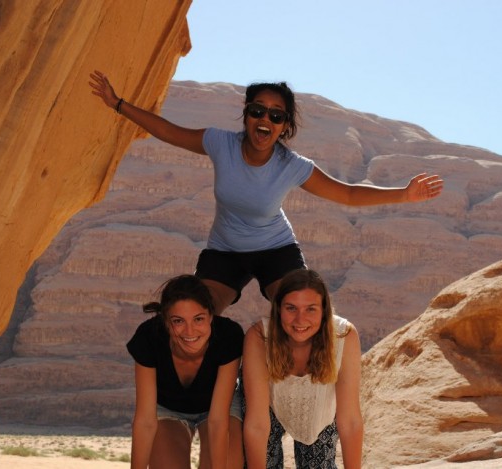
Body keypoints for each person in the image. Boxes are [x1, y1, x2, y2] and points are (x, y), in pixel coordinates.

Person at [89, 71, 444, 315]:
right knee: (196, 310)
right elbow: (169, 131)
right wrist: (117, 103)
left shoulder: (291, 165)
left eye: (276, 115)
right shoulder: (220, 143)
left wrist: (404, 194)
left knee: (300, 308)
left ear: (285, 127)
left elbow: (348, 194)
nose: (265, 119)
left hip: (275, 250)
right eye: (257, 110)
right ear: (245, 115)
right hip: (225, 249)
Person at [241, 269, 363, 469]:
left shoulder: (344, 336)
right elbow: (257, 424)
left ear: (324, 310)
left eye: (310, 309)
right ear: (278, 308)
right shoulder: (259, 337)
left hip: (320, 410)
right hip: (269, 406)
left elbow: (349, 421)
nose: (300, 320)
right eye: (291, 308)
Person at [126, 274, 244, 469]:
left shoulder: (228, 336)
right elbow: (145, 421)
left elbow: (217, 420)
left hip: (218, 410)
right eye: (178, 321)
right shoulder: (148, 337)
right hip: (168, 410)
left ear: (211, 316)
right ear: (165, 321)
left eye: (198, 319)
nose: (190, 332)